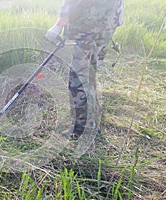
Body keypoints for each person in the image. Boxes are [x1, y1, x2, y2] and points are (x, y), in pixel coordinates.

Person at [45, 0, 124, 138]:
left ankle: (83, 128)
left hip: (90, 26)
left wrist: (59, 24)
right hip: (106, 22)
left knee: (79, 80)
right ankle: (93, 117)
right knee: (88, 75)